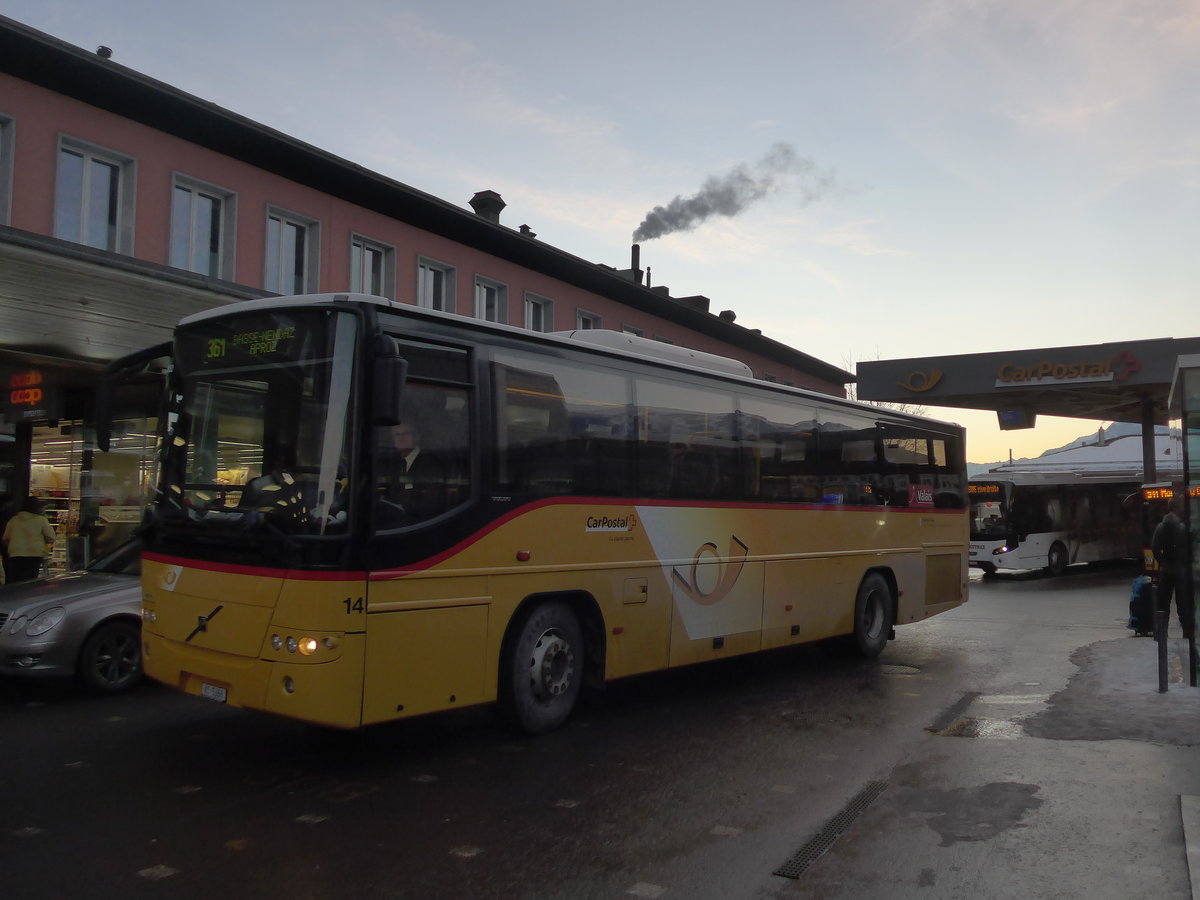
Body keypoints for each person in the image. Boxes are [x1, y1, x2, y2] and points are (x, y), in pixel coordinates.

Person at [1151, 498, 1194, 639]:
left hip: (1166, 570)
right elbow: (1189, 548)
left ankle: (1161, 634)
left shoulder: (1160, 527)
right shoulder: (1182, 528)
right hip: (1180, 570)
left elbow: (1155, 547)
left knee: (1163, 603)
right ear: (1178, 509)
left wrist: (1162, 561)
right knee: (1183, 604)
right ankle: (1187, 633)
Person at [2, 495, 57, 583]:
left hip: (16, 554)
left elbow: (5, 539)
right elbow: (51, 537)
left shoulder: (14, 520)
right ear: (37, 507)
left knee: (16, 580)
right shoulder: (41, 520)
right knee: (30, 581)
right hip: (34, 554)